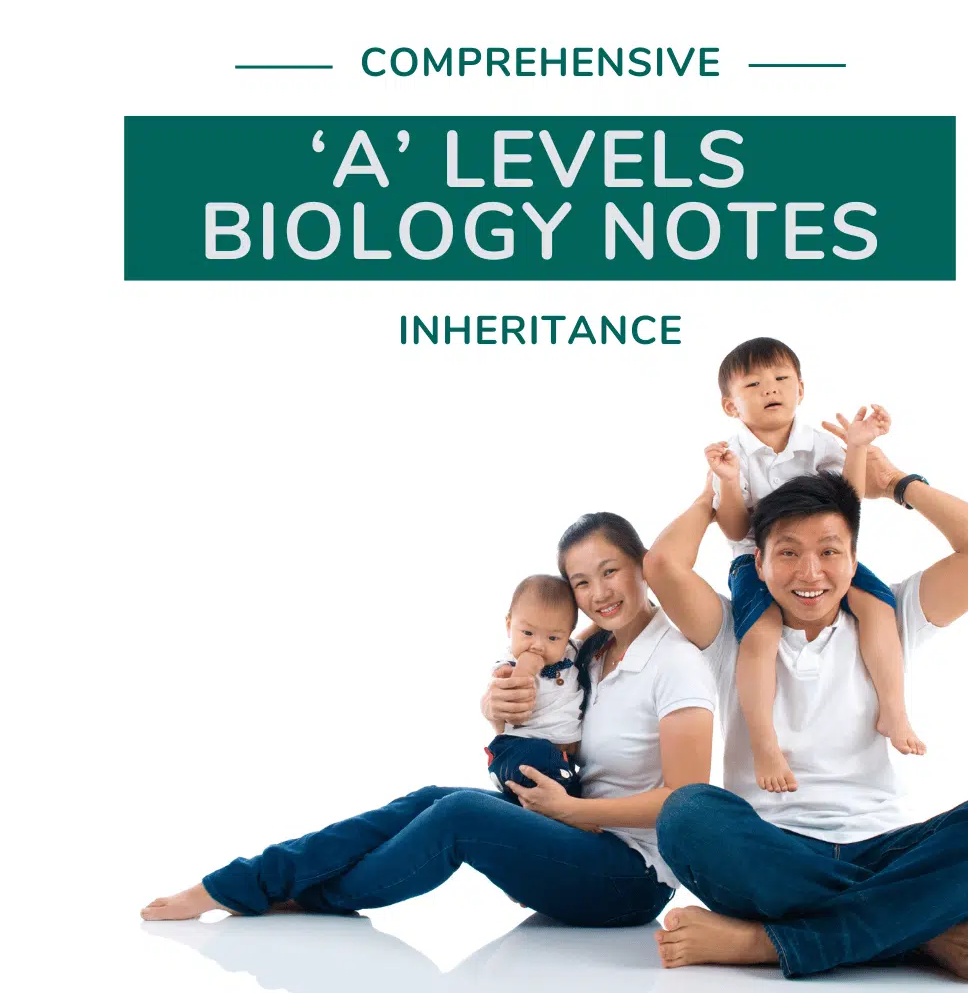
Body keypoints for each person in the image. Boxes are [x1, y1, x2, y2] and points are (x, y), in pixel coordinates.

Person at [141, 514, 715, 928]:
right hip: (572, 838)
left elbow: (684, 803)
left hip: (630, 879)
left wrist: (570, 812)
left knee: (461, 814)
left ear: (642, 566)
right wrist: (493, 705)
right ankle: (244, 881)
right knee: (430, 798)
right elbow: (533, 697)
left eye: (611, 571)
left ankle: (308, 896)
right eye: (582, 583)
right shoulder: (590, 650)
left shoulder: (675, 662)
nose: (599, 593)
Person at [643, 443, 968, 982]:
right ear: (759, 563)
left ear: (854, 559)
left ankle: (767, 943)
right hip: (772, 850)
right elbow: (662, 566)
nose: (810, 572)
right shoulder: (732, 633)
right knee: (686, 814)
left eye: (829, 551)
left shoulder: (892, 618)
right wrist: (714, 498)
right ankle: (920, 930)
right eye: (788, 553)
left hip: (889, 851)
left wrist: (900, 484)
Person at [708, 336, 922, 795]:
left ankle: (894, 710)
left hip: (823, 557)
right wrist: (726, 481)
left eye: (781, 379)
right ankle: (764, 743)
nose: (771, 389)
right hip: (755, 559)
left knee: (878, 607)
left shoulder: (818, 443)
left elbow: (848, 503)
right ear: (730, 405)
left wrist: (858, 447)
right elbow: (735, 527)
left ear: (801, 390)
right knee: (760, 633)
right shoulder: (731, 455)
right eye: (753, 384)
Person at [485, 573, 583, 802]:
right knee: (542, 764)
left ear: (568, 636)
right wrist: (525, 669)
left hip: (562, 758)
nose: (538, 645)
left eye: (553, 638)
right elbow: (513, 704)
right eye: (528, 633)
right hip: (520, 748)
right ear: (509, 625)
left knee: (571, 785)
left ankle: (571, 803)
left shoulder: (572, 652)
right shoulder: (508, 664)